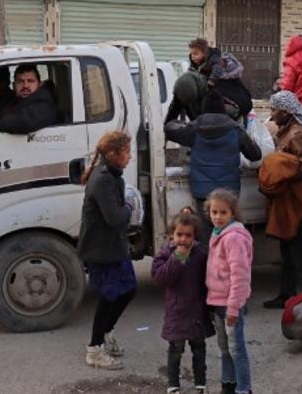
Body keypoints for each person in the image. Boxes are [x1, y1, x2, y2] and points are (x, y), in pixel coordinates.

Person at [164, 90, 262, 242]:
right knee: (229, 234)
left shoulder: (194, 129)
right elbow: (255, 155)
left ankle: (209, 264)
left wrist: (177, 115)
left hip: (203, 192)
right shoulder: (236, 129)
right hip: (229, 193)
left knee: (206, 234)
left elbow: (169, 129)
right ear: (223, 110)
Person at [76, 130, 137, 370]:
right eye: (127, 152)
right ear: (112, 154)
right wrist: (130, 207)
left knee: (128, 290)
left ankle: (107, 332)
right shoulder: (103, 179)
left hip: (112, 247)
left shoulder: (111, 176)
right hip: (101, 250)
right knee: (108, 297)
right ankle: (94, 349)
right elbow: (114, 217)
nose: (130, 157)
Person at [261, 91, 302, 309]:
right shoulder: (287, 131)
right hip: (288, 196)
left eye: (274, 110)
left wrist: (281, 173)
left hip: (298, 196)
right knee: (287, 248)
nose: (272, 115)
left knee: (298, 249)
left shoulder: (297, 134)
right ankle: (286, 295)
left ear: (286, 111)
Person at [151, 212, 214, 394]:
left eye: (188, 235)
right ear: (172, 234)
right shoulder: (166, 253)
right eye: (180, 234)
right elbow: (161, 278)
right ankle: (173, 385)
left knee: (199, 349)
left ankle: (200, 384)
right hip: (177, 312)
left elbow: (210, 278)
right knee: (176, 350)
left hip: (197, 311)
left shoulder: (201, 253)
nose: (183, 239)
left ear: (194, 237)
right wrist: (177, 258)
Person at [204, 189, 253, 394]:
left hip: (230, 306)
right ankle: (228, 385)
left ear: (232, 213)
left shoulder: (233, 238)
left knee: (237, 350)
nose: (217, 217)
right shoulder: (217, 234)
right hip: (217, 302)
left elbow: (240, 276)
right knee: (225, 349)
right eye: (214, 212)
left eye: (223, 212)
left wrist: (233, 308)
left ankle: (244, 389)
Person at [0, 64, 58, 137]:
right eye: (20, 81)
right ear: (14, 85)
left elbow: (26, 121)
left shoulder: (45, 103)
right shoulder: (16, 101)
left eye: (30, 81)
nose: (25, 86)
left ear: (39, 84)